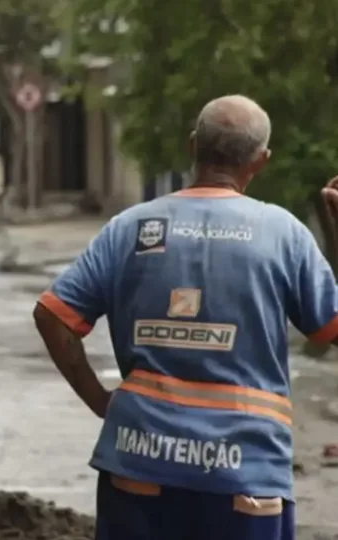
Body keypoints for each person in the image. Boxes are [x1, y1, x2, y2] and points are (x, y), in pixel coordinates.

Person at [33, 95, 338, 540]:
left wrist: (102, 401)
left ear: (193, 146)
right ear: (260, 161)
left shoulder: (130, 228)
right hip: (245, 473)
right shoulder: (283, 233)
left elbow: (52, 315)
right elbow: (330, 329)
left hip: (138, 464)